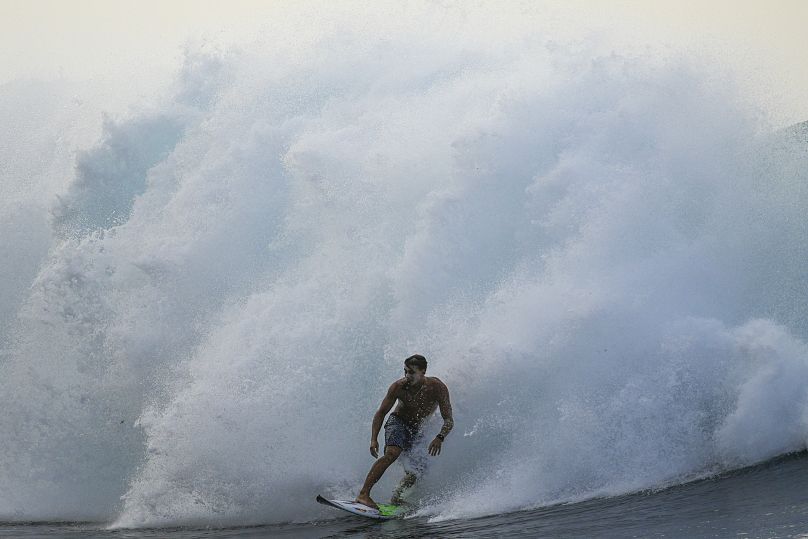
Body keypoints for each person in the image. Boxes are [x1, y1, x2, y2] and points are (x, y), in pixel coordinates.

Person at [355, 354, 453, 509]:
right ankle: (363, 494)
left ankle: (396, 499)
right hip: (398, 422)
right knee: (392, 453)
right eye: (405, 371)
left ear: (423, 371)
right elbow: (381, 413)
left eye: (412, 372)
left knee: (417, 471)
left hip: (418, 429)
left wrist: (439, 437)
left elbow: (449, 420)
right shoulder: (398, 387)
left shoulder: (437, 388)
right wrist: (373, 439)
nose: (407, 376)